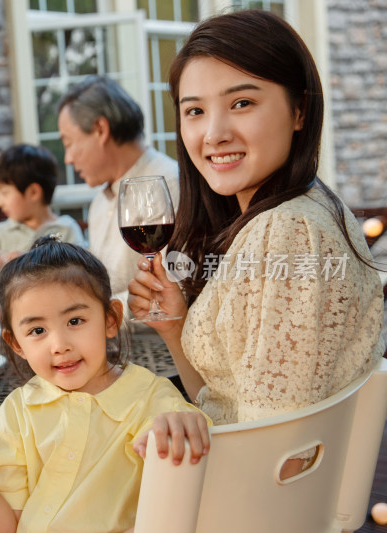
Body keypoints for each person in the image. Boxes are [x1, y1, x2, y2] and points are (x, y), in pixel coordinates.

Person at [128, 10, 385, 474]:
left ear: (300, 110)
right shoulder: (297, 212)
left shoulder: (287, 233)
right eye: (195, 111)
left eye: (242, 103)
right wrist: (175, 326)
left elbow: (277, 460)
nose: (214, 134)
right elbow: (224, 400)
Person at [0, 236, 210, 532]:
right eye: (38, 330)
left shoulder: (152, 400)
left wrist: (180, 428)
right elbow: (1, 528)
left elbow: (191, 455)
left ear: (111, 320)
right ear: (16, 343)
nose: (59, 345)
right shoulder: (16, 414)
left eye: (75, 321)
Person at [57, 75, 179, 304]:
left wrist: (95, 313)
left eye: (68, 143)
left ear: (100, 129)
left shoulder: (169, 185)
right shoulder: (100, 203)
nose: (68, 159)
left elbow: (173, 290)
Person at [0, 143, 86, 319]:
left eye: (4, 193)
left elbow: (80, 281)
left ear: (34, 192)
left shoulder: (66, 229)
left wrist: (30, 267)